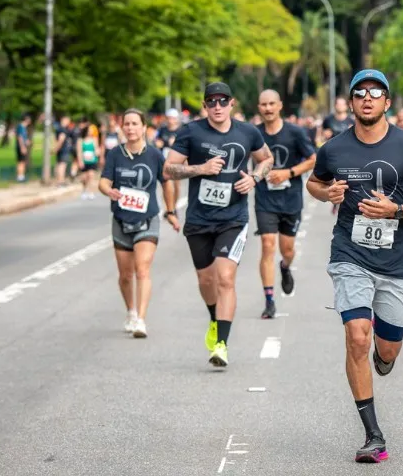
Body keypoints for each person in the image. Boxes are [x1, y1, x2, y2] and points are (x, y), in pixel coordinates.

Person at [306, 69, 403, 463]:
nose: (367, 98)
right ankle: (373, 435)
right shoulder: (334, 149)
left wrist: (396, 210)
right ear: (351, 102)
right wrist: (325, 191)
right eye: (360, 93)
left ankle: (386, 357)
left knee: (386, 348)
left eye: (375, 92)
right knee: (358, 336)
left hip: (397, 260)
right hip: (350, 253)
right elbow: (314, 184)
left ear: (386, 101)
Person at [163, 82, 274, 368]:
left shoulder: (248, 132)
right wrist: (200, 168)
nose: (217, 106)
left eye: (222, 101)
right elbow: (169, 169)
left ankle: (221, 344)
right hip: (199, 219)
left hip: (233, 219)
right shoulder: (191, 132)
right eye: (211, 102)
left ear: (231, 103)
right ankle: (214, 318)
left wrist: (255, 178)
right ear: (205, 105)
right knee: (206, 280)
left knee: (225, 277)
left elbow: (266, 159)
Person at [99, 109, 180, 337]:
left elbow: (167, 183)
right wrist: (110, 191)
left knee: (142, 268)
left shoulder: (154, 155)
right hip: (121, 219)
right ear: (122, 128)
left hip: (147, 219)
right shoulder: (115, 154)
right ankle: (131, 311)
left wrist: (171, 211)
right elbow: (103, 182)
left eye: (135, 123)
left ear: (144, 127)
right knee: (125, 275)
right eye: (127, 124)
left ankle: (141, 321)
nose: (131, 128)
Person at [255, 89, 317, 318]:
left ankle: (285, 267)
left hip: (291, 199)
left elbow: (313, 159)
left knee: (287, 250)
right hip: (265, 199)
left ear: (280, 105)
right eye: (264, 105)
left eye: (272, 104)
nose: (268, 108)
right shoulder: (254, 134)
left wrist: (288, 173)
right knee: (267, 244)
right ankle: (269, 300)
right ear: (259, 107)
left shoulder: (295, 133)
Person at [156, 108, 184, 203]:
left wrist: (176, 143)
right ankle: (168, 206)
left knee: (176, 185)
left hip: (177, 161)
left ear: (176, 119)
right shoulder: (162, 129)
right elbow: (157, 140)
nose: (170, 120)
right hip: (164, 160)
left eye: (173, 118)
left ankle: (174, 205)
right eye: (169, 118)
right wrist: (157, 143)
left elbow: (186, 145)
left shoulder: (181, 130)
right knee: (166, 184)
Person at [77, 124, 102, 200]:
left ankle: (91, 192)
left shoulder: (94, 140)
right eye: (89, 130)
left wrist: (98, 152)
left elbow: (97, 149)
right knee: (84, 177)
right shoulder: (81, 140)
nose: (90, 132)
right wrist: (80, 161)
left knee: (91, 176)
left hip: (92, 160)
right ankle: (84, 190)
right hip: (84, 161)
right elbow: (79, 151)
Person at [53, 115, 74, 186]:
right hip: (63, 150)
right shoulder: (62, 129)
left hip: (62, 150)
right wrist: (56, 148)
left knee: (59, 164)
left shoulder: (59, 128)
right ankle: (60, 181)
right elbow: (61, 140)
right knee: (62, 165)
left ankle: (60, 180)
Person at [15, 113, 32, 182]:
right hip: (21, 147)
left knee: (23, 162)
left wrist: (27, 142)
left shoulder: (23, 127)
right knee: (21, 162)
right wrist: (22, 147)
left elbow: (23, 138)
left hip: (23, 146)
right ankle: (20, 177)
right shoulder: (21, 127)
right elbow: (20, 138)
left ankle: (22, 176)